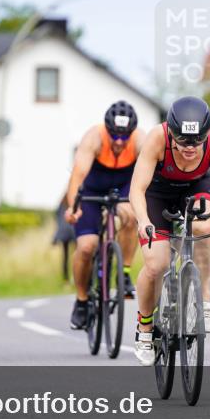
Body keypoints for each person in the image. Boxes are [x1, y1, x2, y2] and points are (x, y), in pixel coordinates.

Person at [129, 96, 210, 365]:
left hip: (196, 187)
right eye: (182, 141)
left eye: (196, 141)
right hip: (157, 194)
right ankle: (145, 328)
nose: (190, 148)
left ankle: (203, 300)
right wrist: (143, 220)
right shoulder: (156, 139)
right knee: (156, 264)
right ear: (170, 132)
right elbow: (137, 189)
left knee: (204, 226)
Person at [64, 101, 141, 330]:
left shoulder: (141, 141)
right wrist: (73, 208)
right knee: (87, 246)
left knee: (130, 216)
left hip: (124, 186)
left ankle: (124, 273)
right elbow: (77, 176)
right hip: (92, 189)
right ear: (107, 130)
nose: (119, 142)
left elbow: (150, 172)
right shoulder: (93, 138)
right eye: (114, 136)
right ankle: (81, 300)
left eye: (124, 137)